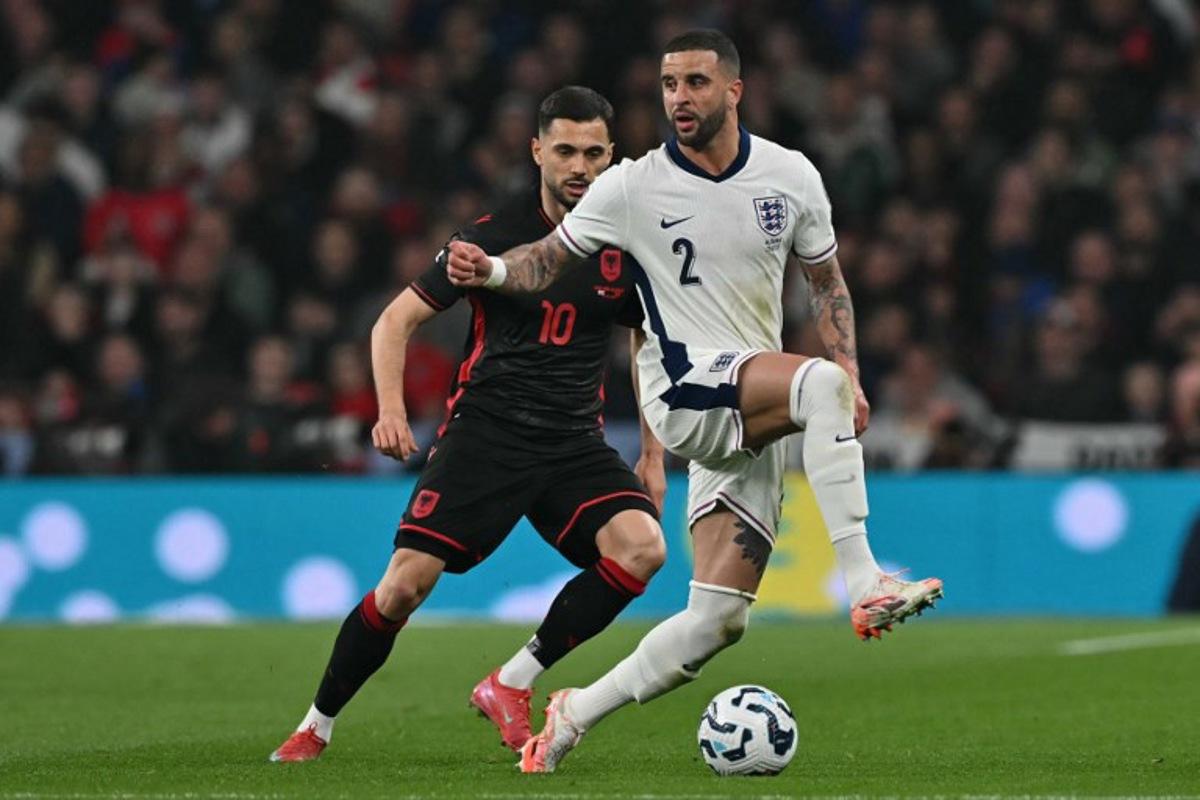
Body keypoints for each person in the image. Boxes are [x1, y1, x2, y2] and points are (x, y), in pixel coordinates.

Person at [445, 30, 944, 773]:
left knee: (717, 621)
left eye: (696, 83)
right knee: (817, 385)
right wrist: (487, 270)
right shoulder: (631, 185)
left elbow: (826, 281)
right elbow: (546, 262)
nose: (679, 97)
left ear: (735, 91)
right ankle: (865, 580)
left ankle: (571, 715)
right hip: (685, 391)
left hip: (748, 414)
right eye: (670, 83)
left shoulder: (790, 176)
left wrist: (852, 370)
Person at [270, 86, 667, 762]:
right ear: (537, 151)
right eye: (565, 151)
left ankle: (512, 681)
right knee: (403, 587)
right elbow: (394, 321)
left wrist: (653, 455)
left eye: (594, 153)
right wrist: (390, 412)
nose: (579, 167)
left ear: (612, 158)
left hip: (572, 442)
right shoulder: (490, 238)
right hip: (487, 434)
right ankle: (317, 723)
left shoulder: (626, 245)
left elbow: (648, 341)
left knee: (643, 549)